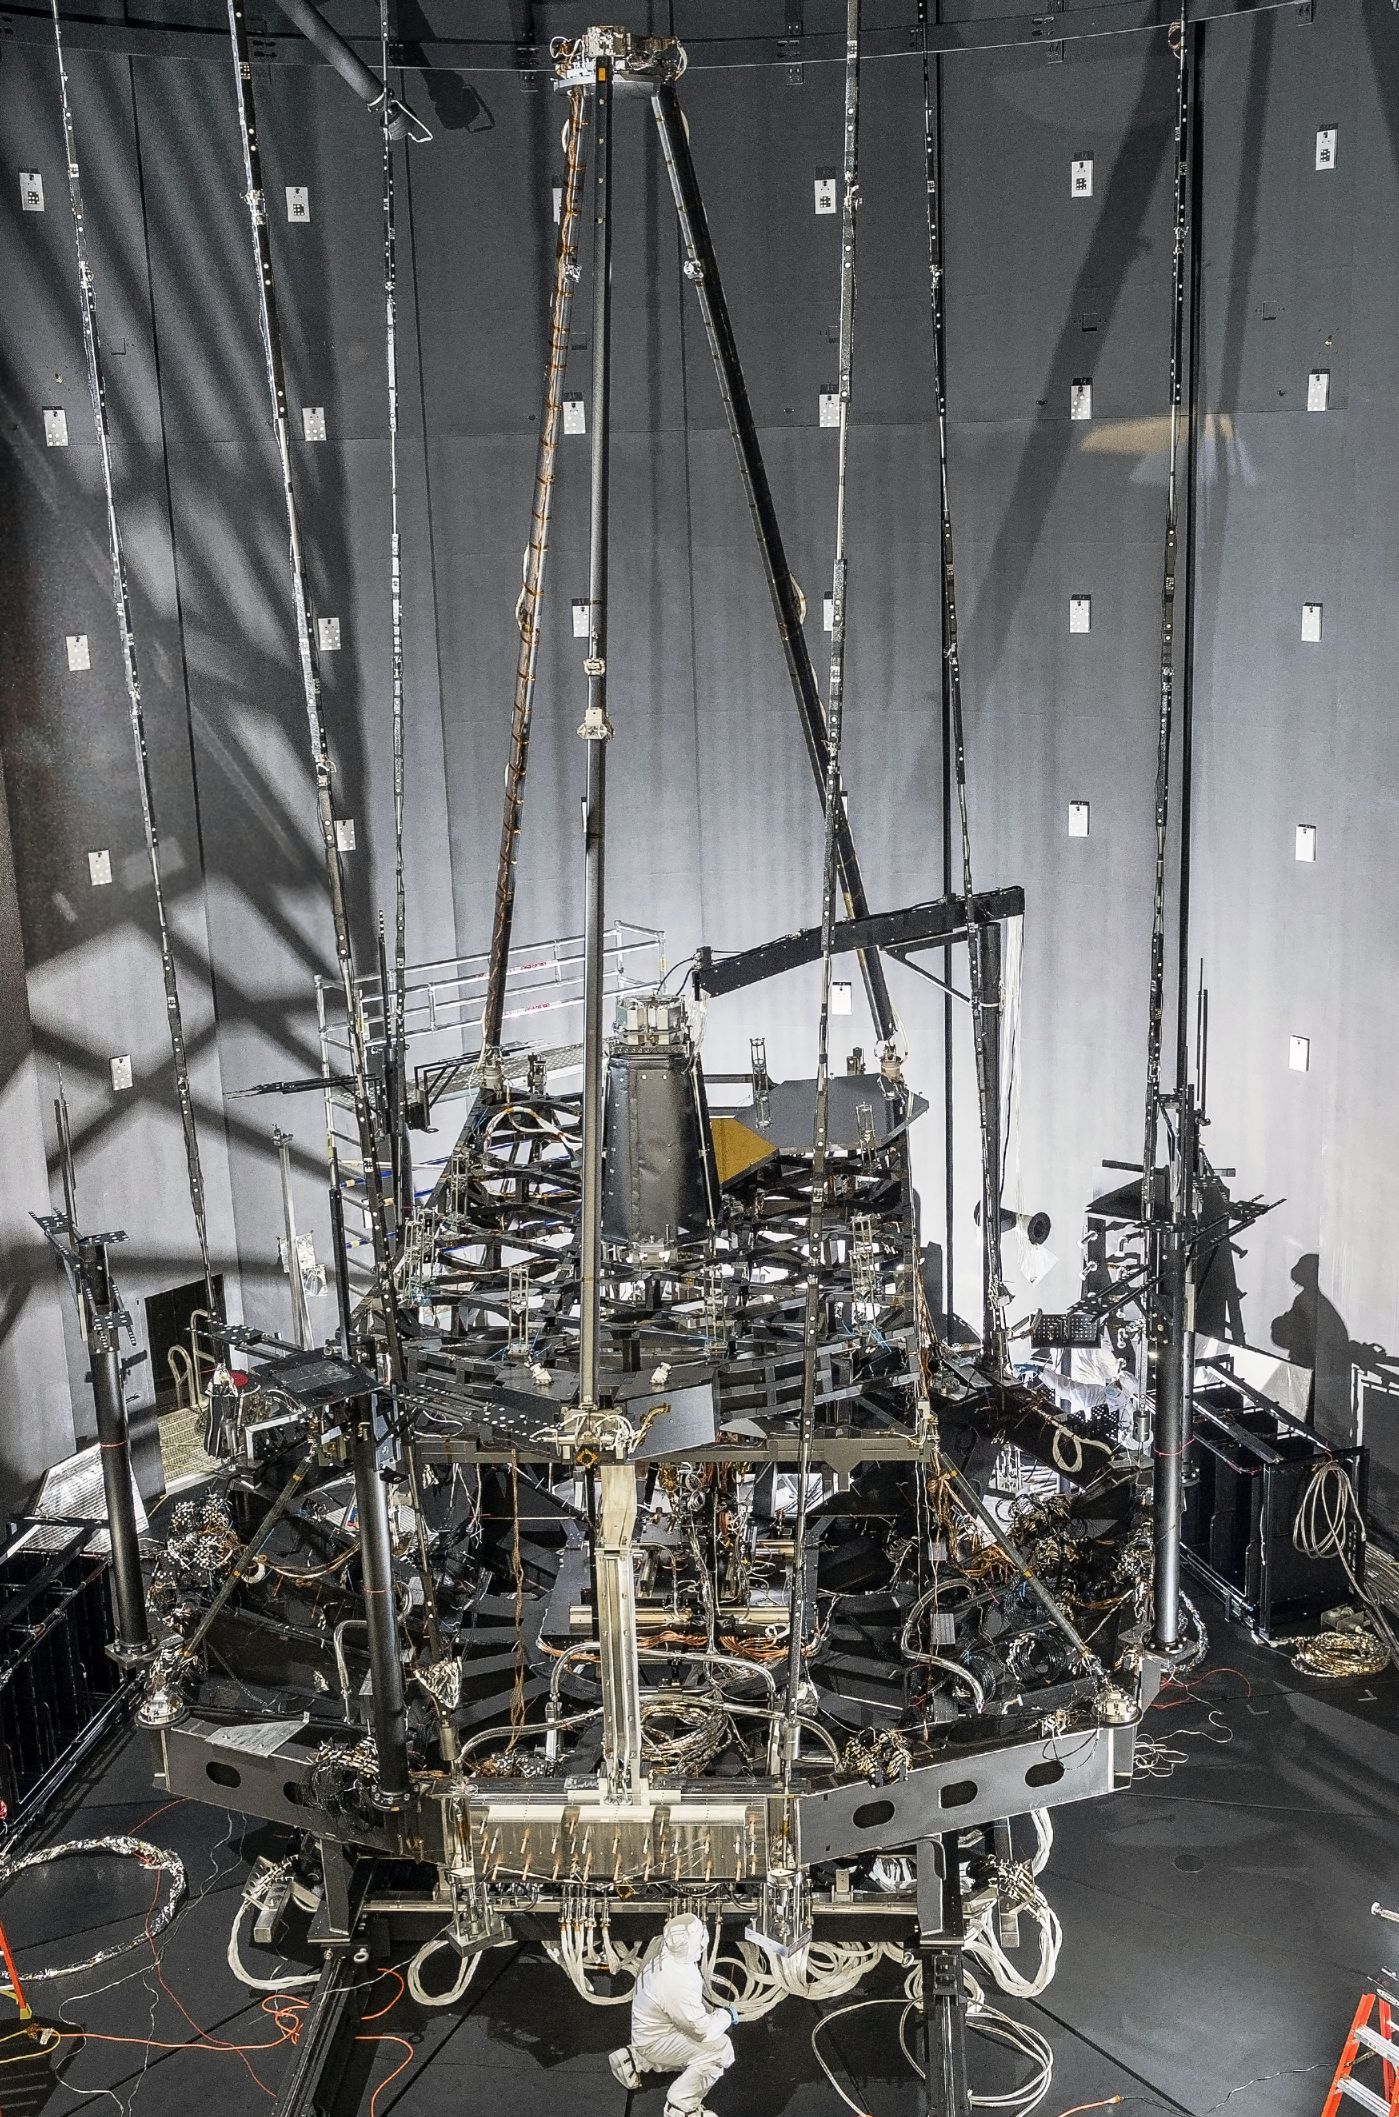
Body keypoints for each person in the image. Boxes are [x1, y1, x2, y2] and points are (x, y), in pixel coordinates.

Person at [609, 1912, 738, 2116]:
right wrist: (726, 2016)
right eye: (700, 1935)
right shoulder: (677, 1980)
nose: (704, 1938)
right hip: (656, 2041)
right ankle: (681, 2105)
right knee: (721, 2049)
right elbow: (701, 2030)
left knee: (691, 2037)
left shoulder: (660, 1945)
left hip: (649, 2031)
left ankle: (633, 2060)